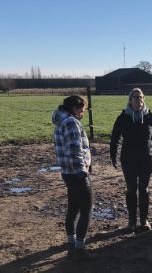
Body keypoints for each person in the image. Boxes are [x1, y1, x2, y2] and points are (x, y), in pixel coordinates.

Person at [110, 88, 152, 233]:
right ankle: (132, 221)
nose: (139, 100)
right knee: (131, 189)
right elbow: (115, 137)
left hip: (147, 158)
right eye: (135, 98)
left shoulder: (149, 116)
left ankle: (144, 220)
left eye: (141, 98)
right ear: (130, 100)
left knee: (144, 190)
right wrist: (112, 155)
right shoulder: (123, 117)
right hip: (128, 158)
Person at [52, 95, 95, 259]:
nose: (83, 112)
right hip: (76, 173)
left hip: (67, 173)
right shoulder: (70, 123)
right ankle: (79, 249)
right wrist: (82, 173)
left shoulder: (62, 121)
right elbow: (74, 149)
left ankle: (71, 244)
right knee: (86, 209)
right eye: (82, 109)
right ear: (76, 108)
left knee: (73, 207)